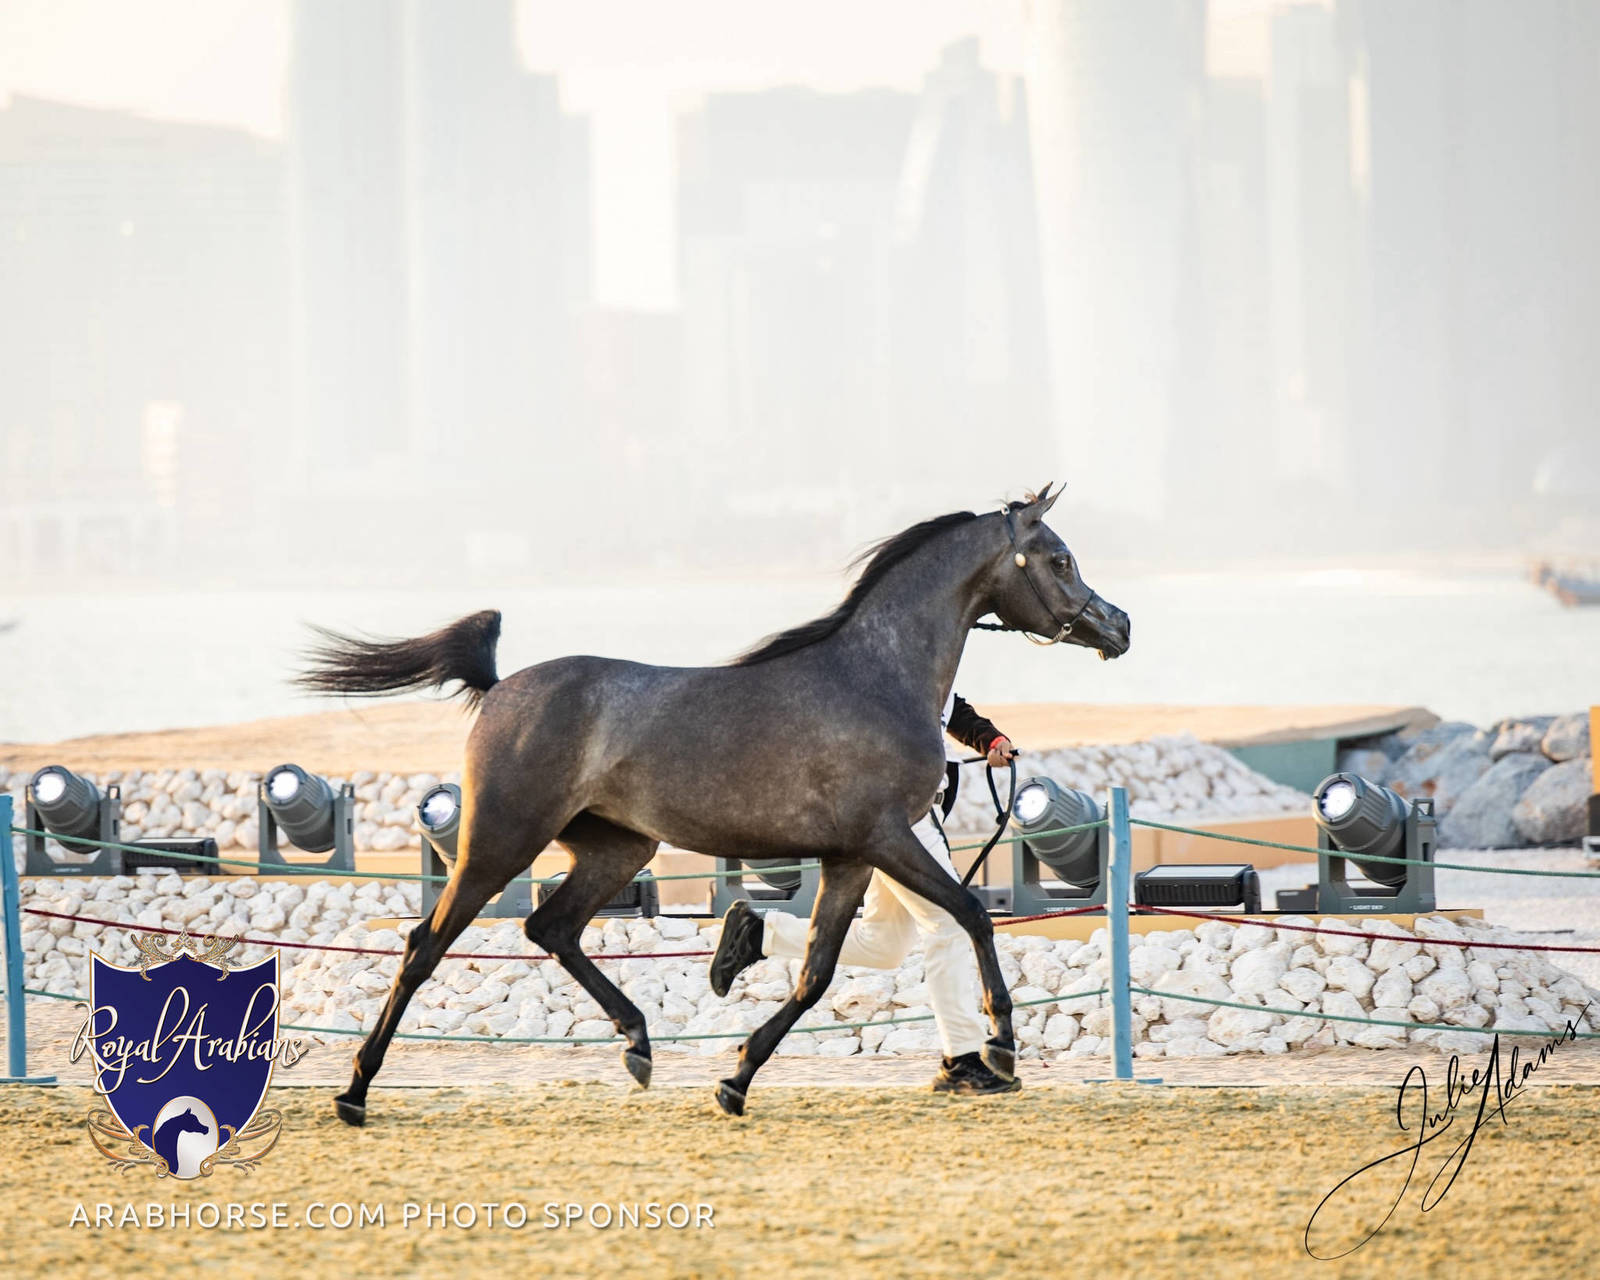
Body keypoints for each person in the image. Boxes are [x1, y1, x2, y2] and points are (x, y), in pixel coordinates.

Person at [710, 689, 1019, 1094]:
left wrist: (990, 740)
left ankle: (759, 933)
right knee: (949, 924)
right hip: (903, 818)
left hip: (913, 813)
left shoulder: (924, 657)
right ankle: (961, 1060)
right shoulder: (893, 656)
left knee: (884, 945)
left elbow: (948, 708)